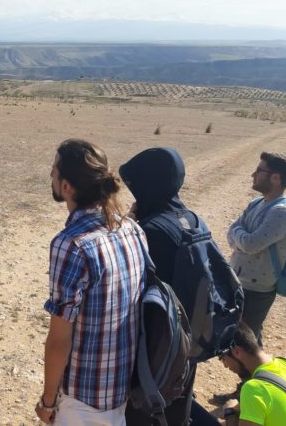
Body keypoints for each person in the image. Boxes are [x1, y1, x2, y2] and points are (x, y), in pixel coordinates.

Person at [35, 139, 146, 426]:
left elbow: (60, 339)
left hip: (84, 396)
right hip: (122, 385)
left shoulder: (71, 244)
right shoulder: (131, 228)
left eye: (55, 169)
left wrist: (48, 401)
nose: (50, 174)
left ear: (67, 187)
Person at [119, 147, 205, 426]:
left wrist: (130, 226)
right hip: (187, 341)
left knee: (146, 414)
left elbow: (130, 291)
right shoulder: (192, 218)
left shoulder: (151, 231)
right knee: (178, 409)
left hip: (156, 350)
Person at [227, 152, 286, 346]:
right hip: (239, 281)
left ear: (276, 178)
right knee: (238, 338)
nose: (253, 174)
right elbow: (231, 233)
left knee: (248, 342)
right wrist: (241, 236)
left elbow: (250, 244)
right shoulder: (257, 203)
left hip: (257, 290)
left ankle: (261, 375)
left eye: (259, 170)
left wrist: (239, 235)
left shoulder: (283, 212)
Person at [217, 322, 286, 426]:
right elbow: (274, 401)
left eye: (222, 359)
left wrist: (229, 413)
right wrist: (238, 407)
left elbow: (261, 394)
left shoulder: (254, 388)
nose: (225, 366)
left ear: (237, 352)